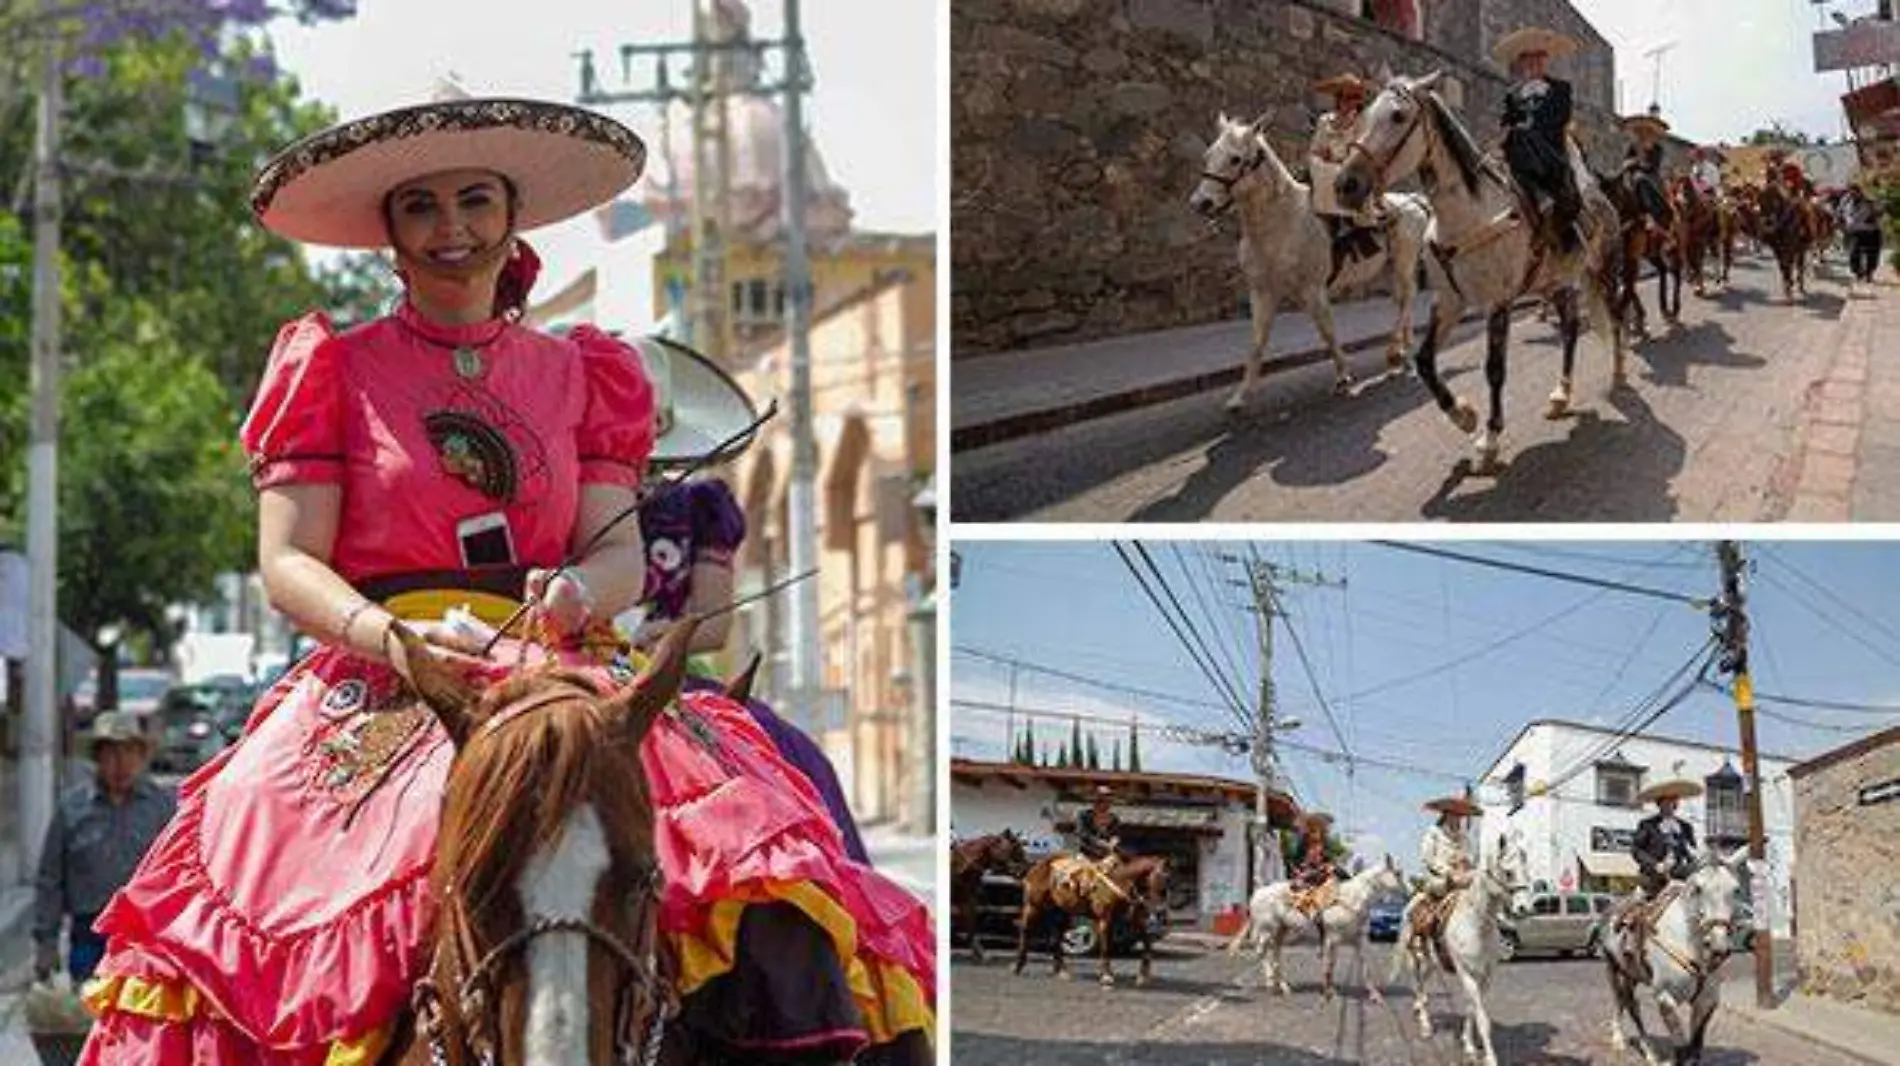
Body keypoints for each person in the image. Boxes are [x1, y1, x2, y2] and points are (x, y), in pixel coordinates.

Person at [76, 87, 932, 1066]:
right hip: (385, 664)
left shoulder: (585, 371)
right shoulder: (333, 368)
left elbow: (610, 548)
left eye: (474, 200)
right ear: (389, 234)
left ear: (510, 215)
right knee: (249, 875)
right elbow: (287, 561)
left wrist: (579, 593)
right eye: (422, 207)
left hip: (559, 653)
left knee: (773, 846)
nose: (453, 229)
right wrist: (392, 635)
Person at [628, 345, 871, 862]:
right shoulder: (560, 493)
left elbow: (712, 626)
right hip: (568, 668)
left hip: (664, 675)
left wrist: (658, 635)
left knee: (798, 756)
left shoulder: (699, 508)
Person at [33, 712, 175, 985]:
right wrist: (45, 944)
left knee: (141, 1021)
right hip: (89, 936)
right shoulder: (72, 809)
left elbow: (178, 875)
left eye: (129, 752)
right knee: (90, 1017)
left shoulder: (162, 808)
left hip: (146, 938)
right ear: (97, 758)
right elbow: (50, 880)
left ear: (141, 757)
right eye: (111, 754)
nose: (121, 764)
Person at [1495, 27, 1584, 254]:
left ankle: (1544, 199)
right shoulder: (1513, 94)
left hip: (1550, 150)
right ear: (1523, 63)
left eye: (1539, 58)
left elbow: (1560, 118)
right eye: (1529, 59)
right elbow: (1506, 122)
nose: (1534, 63)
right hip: (1519, 152)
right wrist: (1503, 134)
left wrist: (1526, 127)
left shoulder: (1561, 89)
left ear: (1546, 60)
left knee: (1521, 135)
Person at [1308, 73, 1384, 280]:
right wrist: (1322, 157)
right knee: (1319, 168)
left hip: (1353, 166)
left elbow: (1363, 148)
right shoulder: (1325, 121)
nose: (1349, 103)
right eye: (1346, 98)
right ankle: (1324, 216)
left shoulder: (1362, 121)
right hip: (1328, 167)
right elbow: (1315, 149)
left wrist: (1344, 159)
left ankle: (1348, 223)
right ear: (1338, 99)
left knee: (1344, 175)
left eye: (1354, 99)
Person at [1408, 795, 1480, 951]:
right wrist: (1447, 870)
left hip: (1463, 876)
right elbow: (1428, 858)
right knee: (1443, 889)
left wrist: (1467, 862)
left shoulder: (1464, 838)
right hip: (1438, 877)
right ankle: (1422, 935)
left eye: (1460, 816)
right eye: (1454, 815)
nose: (1458, 819)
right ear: (1446, 815)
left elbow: (1471, 857)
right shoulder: (1434, 832)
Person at [1620, 111, 1676, 231]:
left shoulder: (1657, 149)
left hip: (1651, 176)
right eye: (1640, 131)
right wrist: (1631, 163)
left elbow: (1653, 166)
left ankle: (1648, 213)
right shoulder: (1633, 146)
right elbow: (1626, 161)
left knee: (1640, 179)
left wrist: (1640, 163)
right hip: (1632, 174)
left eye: (1646, 131)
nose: (1643, 134)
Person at [1289, 812, 1338, 916]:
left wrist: (1329, 866)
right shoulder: (1303, 841)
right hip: (1305, 874)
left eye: (1328, 827)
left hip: (1321, 874)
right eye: (1326, 826)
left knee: (1334, 885)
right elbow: (1295, 860)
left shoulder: (1325, 842)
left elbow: (1328, 859)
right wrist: (1300, 873)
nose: (1328, 829)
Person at [1840, 184, 1885, 286]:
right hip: (1855, 232)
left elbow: (1880, 211)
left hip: (1870, 232)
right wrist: (1842, 224)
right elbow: (1841, 214)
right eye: (1850, 193)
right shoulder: (1846, 203)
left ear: (1859, 192)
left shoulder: (1869, 202)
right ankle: (1858, 273)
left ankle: (1869, 273)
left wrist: (1874, 214)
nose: (1852, 195)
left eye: (1854, 192)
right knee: (1853, 254)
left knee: (1872, 255)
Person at [1074, 785, 1124, 874]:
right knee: (1078, 875)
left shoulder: (1114, 818)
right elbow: (1081, 833)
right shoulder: (1084, 815)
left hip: (1106, 856)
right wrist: (1098, 842)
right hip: (1086, 855)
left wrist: (1114, 841)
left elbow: (1117, 834)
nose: (1107, 804)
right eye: (1103, 801)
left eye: (1109, 801)